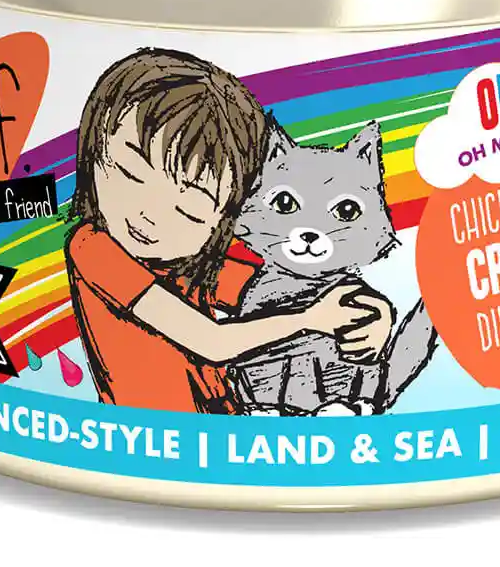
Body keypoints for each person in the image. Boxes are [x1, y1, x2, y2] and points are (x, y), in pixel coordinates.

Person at [65, 48, 392, 413]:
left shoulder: (195, 260)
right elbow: (210, 341)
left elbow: (284, 290)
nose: (148, 216)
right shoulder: (92, 248)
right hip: (151, 430)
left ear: (225, 217)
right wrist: (311, 319)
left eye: (188, 211)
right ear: (94, 153)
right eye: (129, 173)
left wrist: (372, 313)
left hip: (227, 419)